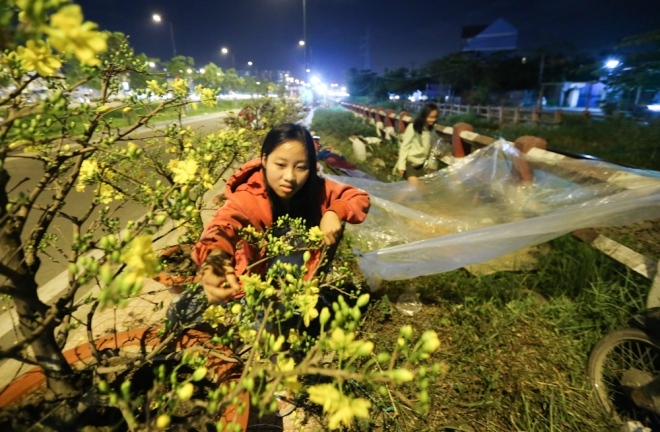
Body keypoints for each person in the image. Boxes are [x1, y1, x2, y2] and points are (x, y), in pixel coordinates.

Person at [192, 123, 370, 306]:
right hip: (258, 283)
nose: (290, 177)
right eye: (280, 165)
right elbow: (223, 224)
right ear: (264, 160)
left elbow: (358, 197)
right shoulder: (249, 196)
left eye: (301, 167)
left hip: (303, 282)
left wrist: (334, 212)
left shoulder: (316, 189)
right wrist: (215, 256)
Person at [396, 103, 439, 185]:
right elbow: (404, 147)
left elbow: (431, 149)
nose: (433, 120)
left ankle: (396, 198)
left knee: (418, 189)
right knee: (415, 184)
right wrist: (401, 165)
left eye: (435, 117)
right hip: (409, 161)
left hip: (421, 164)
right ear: (424, 116)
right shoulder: (413, 127)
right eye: (430, 117)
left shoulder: (432, 131)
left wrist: (432, 166)